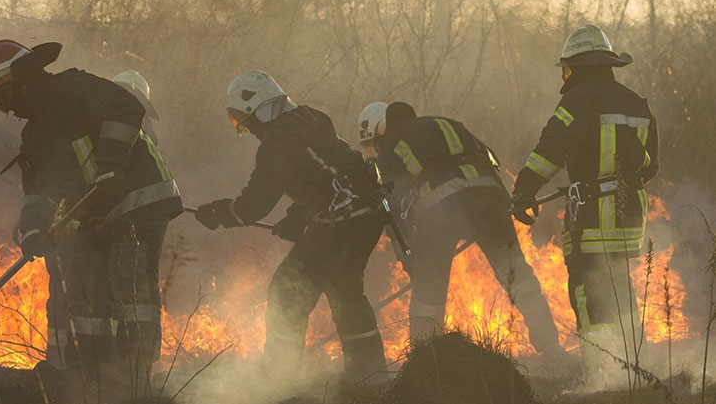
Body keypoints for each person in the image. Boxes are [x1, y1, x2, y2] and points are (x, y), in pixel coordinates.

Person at [0, 39, 182, 399]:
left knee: (129, 283)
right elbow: (39, 191)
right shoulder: (35, 133)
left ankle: (135, 374)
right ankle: (89, 371)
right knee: (87, 287)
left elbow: (126, 108)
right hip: (96, 210)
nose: (7, 109)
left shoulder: (73, 88)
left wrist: (110, 166)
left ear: (24, 78)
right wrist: (33, 228)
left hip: (137, 198)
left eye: (5, 96)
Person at [193, 70, 389, 384]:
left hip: (341, 220)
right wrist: (298, 217)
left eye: (245, 121)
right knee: (345, 290)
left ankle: (278, 378)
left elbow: (254, 204)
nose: (249, 130)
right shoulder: (310, 119)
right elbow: (328, 172)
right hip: (365, 212)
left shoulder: (277, 142)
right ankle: (370, 374)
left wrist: (220, 213)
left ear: (256, 109)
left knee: (287, 292)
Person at [510, 24, 659, 387]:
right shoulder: (637, 103)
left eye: (567, 68)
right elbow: (651, 167)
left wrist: (525, 189)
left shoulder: (578, 100)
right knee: (619, 288)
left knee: (587, 291)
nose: (566, 75)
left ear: (578, 67)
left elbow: (552, 147)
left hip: (593, 214)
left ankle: (602, 376)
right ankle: (634, 370)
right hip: (630, 214)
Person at [356, 101, 566, 358]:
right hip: (492, 200)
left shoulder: (391, 144)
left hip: (441, 207)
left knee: (428, 289)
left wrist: (409, 256)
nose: (376, 152)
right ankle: (552, 347)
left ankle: (423, 358)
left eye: (373, 145)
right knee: (516, 275)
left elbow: (393, 205)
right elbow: (493, 161)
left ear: (381, 129)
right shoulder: (447, 124)